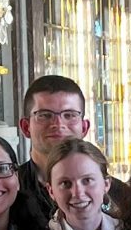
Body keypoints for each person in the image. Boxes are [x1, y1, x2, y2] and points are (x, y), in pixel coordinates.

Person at [16, 72, 94, 201]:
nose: (58, 124)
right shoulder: (9, 191)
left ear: (84, 128)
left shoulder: (114, 194)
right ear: (26, 127)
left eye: (69, 115)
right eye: (45, 115)